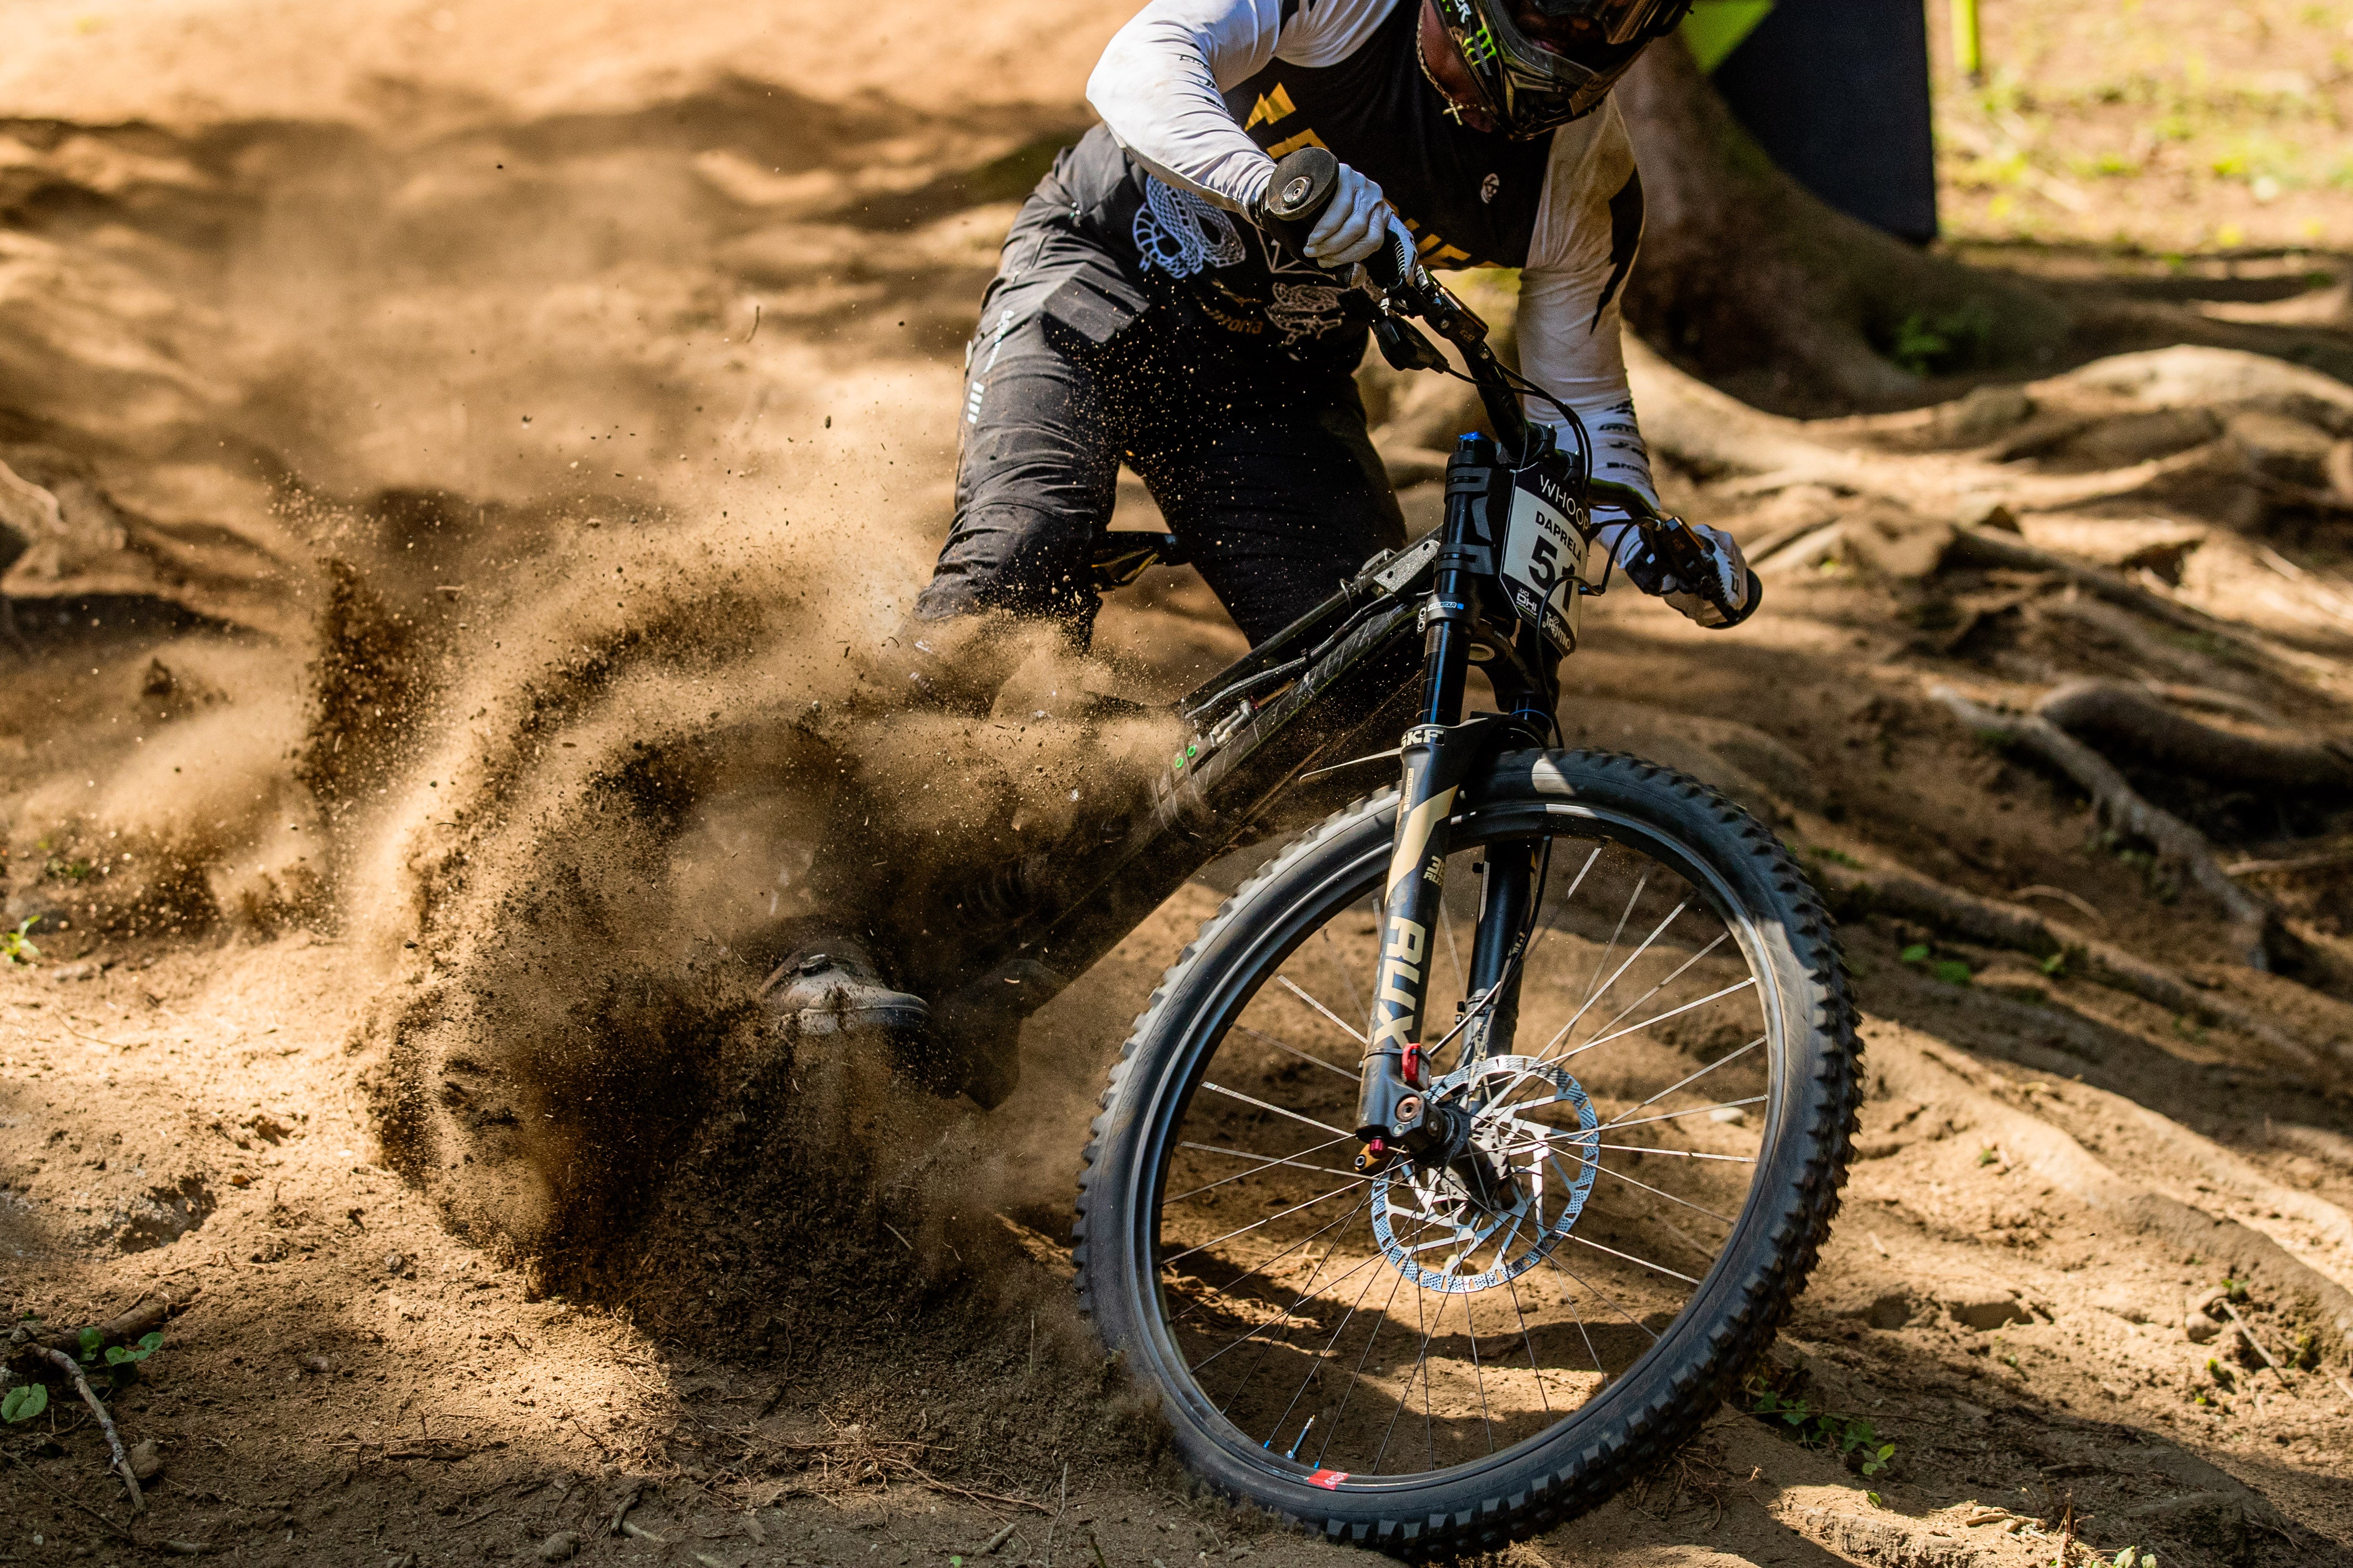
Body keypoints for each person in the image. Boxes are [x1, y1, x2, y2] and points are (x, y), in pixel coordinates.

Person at [761, 0, 1753, 1079]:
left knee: (1366, 708)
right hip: (1098, 284)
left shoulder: (1581, 182)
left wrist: (1643, 532)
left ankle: (1010, 923)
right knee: (1015, 568)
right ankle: (799, 927)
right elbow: (1139, 59)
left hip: (1264, 393)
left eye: (1621, 13)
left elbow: (1574, 407)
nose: (1584, 28)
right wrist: (1271, 181)